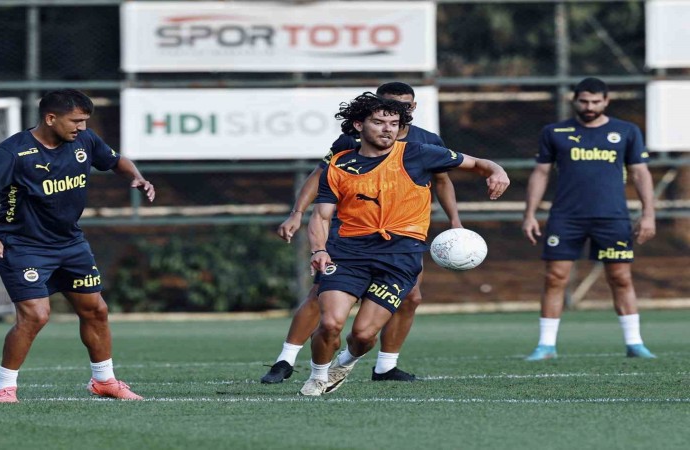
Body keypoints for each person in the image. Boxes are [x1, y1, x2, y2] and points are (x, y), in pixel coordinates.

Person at [300, 92, 509, 396]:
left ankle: (345, 362)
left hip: (399, 258)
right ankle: (318, 377)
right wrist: (319, 249)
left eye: (394, 123)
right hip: (348, 254)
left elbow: (478, 163)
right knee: (331, 324)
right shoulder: (340, 164)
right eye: (378, 122)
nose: (388, 129)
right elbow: (321, 216)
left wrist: (497, 171)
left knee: (363, 336)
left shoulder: (419, 153)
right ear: (358, 125)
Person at [0, 89, 155, 402]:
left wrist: (137, 177)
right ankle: (5, 387)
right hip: (22, 245)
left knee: (96, 310)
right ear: (50, 118)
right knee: (36, 315)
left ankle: (104, 381)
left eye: (85, 121)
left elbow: (116, 161)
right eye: (75, 121)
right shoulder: (12, 152)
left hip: (70, 242)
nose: (82, 127)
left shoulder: (85, 141)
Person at [261, 82, 462, 384]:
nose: (394, 113)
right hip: (351, 231)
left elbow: (443, 181)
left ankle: (385, 366)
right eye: (388, 105)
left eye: (403, 107)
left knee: (411, 297)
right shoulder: (352, 139)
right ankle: (285, 359)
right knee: (322, 294)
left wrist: (455, 221)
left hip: (401, 235)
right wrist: (297, 213)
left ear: (412, 108)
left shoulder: (426, 141)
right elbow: (321, 174)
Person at [522, 77, 657, 361]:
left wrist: (648, 214)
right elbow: (541, 173)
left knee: (620, 277)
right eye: (584, 101)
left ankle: (635, 344)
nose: (590, 107)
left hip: (612, 217)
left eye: (596, 102)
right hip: (566, 217)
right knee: (555, 277)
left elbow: (640, 173)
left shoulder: (626, 131)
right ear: (574, 100)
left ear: (606, 101)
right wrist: (530, 214)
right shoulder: (554, 132)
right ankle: (546, 346)